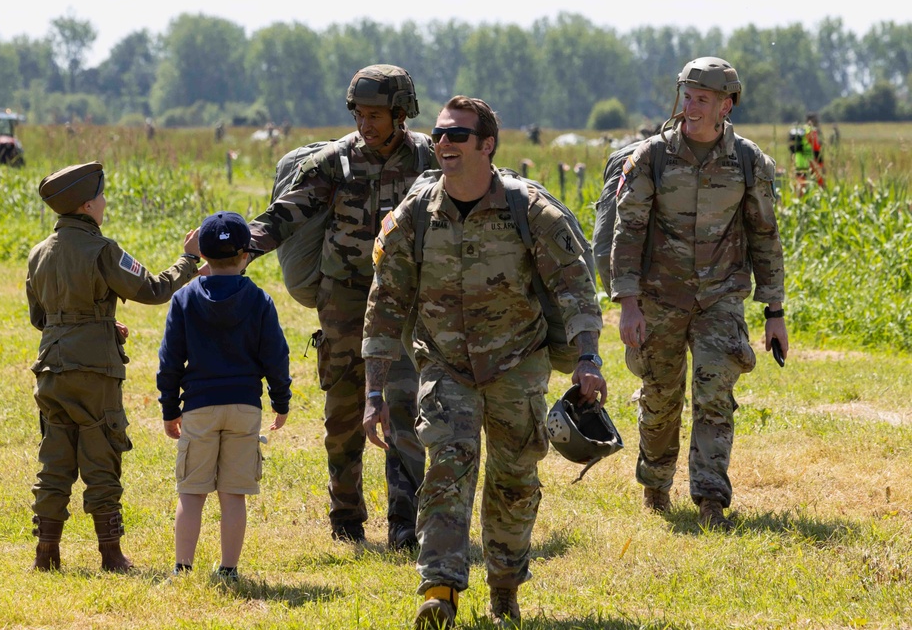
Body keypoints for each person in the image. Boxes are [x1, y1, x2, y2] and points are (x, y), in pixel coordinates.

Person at [362, 95, 606, 628]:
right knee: (447, 468)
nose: (443, 144)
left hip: (516, 363)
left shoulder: (530, 211)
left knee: (514, 482)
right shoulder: (415, 216)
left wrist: (588, 358)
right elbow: (385, 303)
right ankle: (440, 588)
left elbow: (574, 288)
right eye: (439, 135)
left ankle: (504, 586)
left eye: (457, 136)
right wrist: (375, 392)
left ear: (487, 145)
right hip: (445, 365)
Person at [247, 64, 436, 550]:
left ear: (401, 114)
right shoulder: (336, 161)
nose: (365, 125)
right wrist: (240, 247)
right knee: (343, 412)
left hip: (405, 299)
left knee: (404, 405)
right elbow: (288, 211)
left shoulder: (430, 160)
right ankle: (346, 515)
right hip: (345, 297)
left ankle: (404, 524)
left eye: (375, 115)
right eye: (359, 114)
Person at [611, 56, 789, 530]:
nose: (689, 107)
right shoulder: (650, 157)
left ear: (725, 107)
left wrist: (775, 310)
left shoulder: (749, 161)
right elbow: (628, 232)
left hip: (720, 298)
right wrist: (627, 304)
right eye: (686, 96)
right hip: (659, 297)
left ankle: (711, 498)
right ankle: (655, 485)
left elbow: (764, 235)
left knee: (715, 395)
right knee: (660, 397)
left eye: (701, 99)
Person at [26, 161, 201, 572]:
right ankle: (110, 554)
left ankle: (46, 553)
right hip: (93, 371)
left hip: (50, 368)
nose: (104, 204)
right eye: (101, 198)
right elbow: (155, 289)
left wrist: (95, 320)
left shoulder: (38, 254)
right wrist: (188, 259)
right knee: (101, 456)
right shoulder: (103, 250)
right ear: (88, 205)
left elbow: (41, 317)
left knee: (54, 461)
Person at [157, 211, 291, 580]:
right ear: (246, 254)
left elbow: (169, 360)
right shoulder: (260, 300)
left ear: (201, 255)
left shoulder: (184, 299)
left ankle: (183, 568)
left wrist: (170, 409)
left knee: (192, 492)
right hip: (245, 407)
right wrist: (281, 402)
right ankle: (228, 570)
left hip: (199, 408)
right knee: (233, 494)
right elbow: (276, 357)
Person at [794, 112, 825, 191]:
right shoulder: (812, 131)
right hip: (810, 162)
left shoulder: (800, 130)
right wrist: (820, 164)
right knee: (816, 186)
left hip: (799, 162)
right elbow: (816, 149)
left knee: (801, 185)